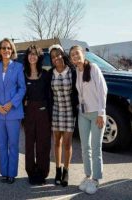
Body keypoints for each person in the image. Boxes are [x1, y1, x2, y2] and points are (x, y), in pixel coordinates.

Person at [69, 45, 107, 194]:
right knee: (85, 147)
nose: (75, 57)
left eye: (77, 54)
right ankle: (88, 176)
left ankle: (96, 180)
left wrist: (101, 113)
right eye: (72, 55)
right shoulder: (76, 72)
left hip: (96, 113)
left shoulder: (93, 68)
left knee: (96, 148)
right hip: (83, 114)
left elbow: (103, 90)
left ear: (83, 54)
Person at [0, 38, 26, 184]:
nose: (6, 51)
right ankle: (3, 173)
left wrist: (12, 103)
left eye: (9, 48)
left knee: (13, 144)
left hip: (13, 112)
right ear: (0, 51)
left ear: (12, 51)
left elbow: (22, 88)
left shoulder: (18, 67)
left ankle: (12, 173)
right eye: (3, 48)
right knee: (1, 144)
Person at [48, 44, 78, 187]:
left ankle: (66, 171)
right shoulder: (50, 73)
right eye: (53, 57)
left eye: (58, 55)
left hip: (69, 112)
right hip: (55, 111)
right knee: (56, 142)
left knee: (67, 143)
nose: (56, 58)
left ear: (62, 54)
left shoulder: (72, 71)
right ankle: (58, 170)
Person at [23, 45, 51, 185]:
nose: (32, 56)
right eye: (30, 54)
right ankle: (31, 171)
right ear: (27, 57)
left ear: (39, 57)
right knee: (29, 143)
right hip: (28, 113)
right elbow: (20, 93)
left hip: (43, 111)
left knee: (43, 144)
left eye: (35, 54)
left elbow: (49, 95)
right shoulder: (22, 74)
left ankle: (42, 172)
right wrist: (24, 102)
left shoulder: (45, 75)